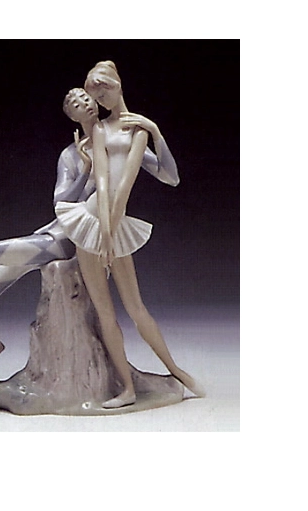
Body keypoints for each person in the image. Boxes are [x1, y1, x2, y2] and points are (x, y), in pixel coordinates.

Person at [0, 87, 178, 405]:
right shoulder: (70, 155)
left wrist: (155, 133)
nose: (84, 103)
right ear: (71, 116)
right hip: (54, 232)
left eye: (85, 98)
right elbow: (61, 202)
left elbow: (170, 176)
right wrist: (85, 169)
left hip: (69, 241)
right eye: (75, 103)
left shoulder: (117, 142)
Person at [56, 61, 205, 408]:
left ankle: (176, 371)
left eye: (103, 91)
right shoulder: (100, 129)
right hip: (92, 220)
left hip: (114, 221)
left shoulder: (137, 129)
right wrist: (104, 234)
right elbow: (103, 183)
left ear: (117, 85)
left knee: (136, 308)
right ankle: (127, 388)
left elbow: (142, 182)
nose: (100, 100)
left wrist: (155, 131)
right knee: (105, 312)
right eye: (95, 96)